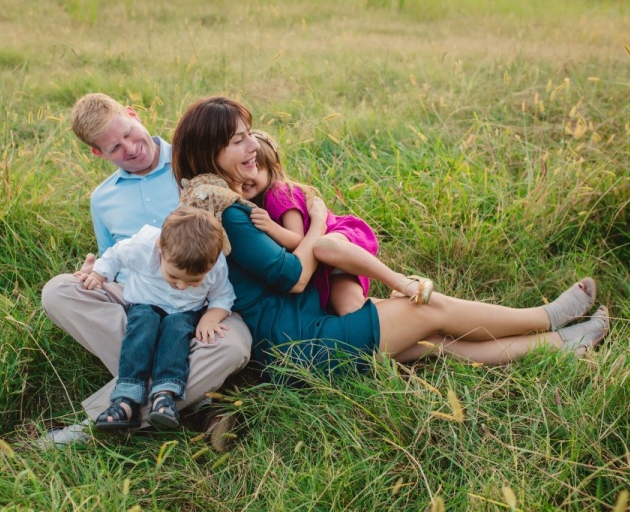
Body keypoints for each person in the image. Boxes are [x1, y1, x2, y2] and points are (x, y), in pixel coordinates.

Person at [170, 96, 610, 377]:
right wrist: (319, 223)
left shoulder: (214, 199)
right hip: (300, 343)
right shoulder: (227, 214)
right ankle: (546, 317)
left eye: (250, 136)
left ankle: (557, 345)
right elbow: (294, 276)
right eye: (239, 141)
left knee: (432, 342)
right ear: (210, 154)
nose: (253, 148)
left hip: (300, 331)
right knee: (427, 309)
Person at [40, 93, 251, 447]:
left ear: (134, 114)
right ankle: (189, 397)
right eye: (114, 148)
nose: (131, 149)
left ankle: (105, 420)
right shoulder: (102, 199)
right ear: (98, 154)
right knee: (58, 291)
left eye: (128, 133)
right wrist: (95, 274)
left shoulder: (193, 162)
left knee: (233, 348)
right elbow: (114, 257)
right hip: (139, 298)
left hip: (201, 298)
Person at [75, 207, 235, 431]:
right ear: (160, 248)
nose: (181, 286)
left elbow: (223, 295)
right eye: (173, 276)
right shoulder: (143, 246)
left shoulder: (216, 266)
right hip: (144, 303)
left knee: (177, 331)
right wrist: (98, 275)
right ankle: (126, 398)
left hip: (185, 311)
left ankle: (165, 396)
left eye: (194, 282)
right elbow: (116, 254)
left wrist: (211, 316)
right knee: (143, 325)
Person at [242, 129, 433, 315]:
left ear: (274, 169)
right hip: (326, 266)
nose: (248, 177)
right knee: (352, 312)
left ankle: (400, 281)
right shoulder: (257, 201)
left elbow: (297, 238)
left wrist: (270, 227)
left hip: (336, 241)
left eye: (257, 168)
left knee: (322, 246)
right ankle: (417, 319)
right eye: (245, 167)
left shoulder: (278, 192)